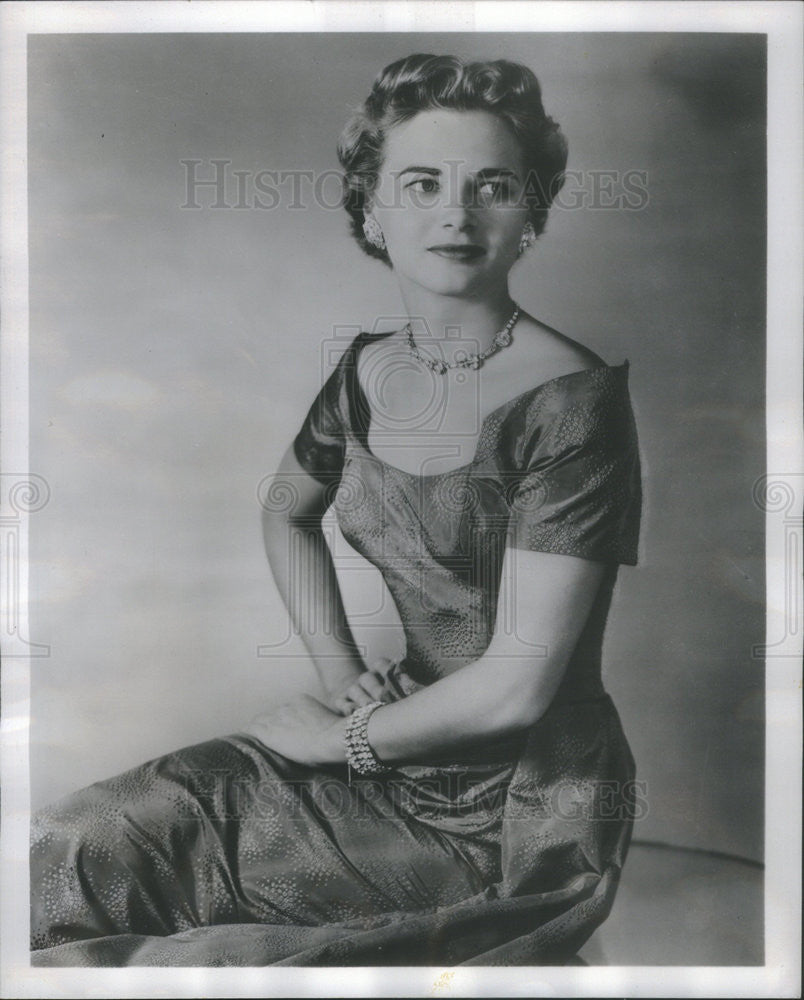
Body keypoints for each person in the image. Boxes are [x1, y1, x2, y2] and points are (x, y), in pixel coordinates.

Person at [30, 54, 642, 967]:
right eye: (422, 182)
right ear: (371, 210)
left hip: (522, 808)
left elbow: (516, 684)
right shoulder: (364, 372)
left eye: (493, 185)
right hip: (392, 736)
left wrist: (341, 739)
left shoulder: (573, 401)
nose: (456, 213)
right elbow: (286, 509)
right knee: (77, 838)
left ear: (532, 213)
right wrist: (340, 673)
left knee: (213, 957)